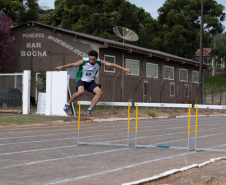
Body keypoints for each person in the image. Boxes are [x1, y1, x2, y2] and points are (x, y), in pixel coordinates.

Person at [55, 50, 131, 116]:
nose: (91, 61)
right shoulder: (84, 60)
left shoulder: (99, 62)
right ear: (88, 57)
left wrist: (124, 69)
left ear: (96, 58)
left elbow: (111, 65)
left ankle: (89, 109)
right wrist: (62, 67)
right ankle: (67, 104)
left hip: (90, 82)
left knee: (99, 92)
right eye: (90, 59)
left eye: (93, 60)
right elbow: (74, 64)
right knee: (80, 92)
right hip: (81, 80)